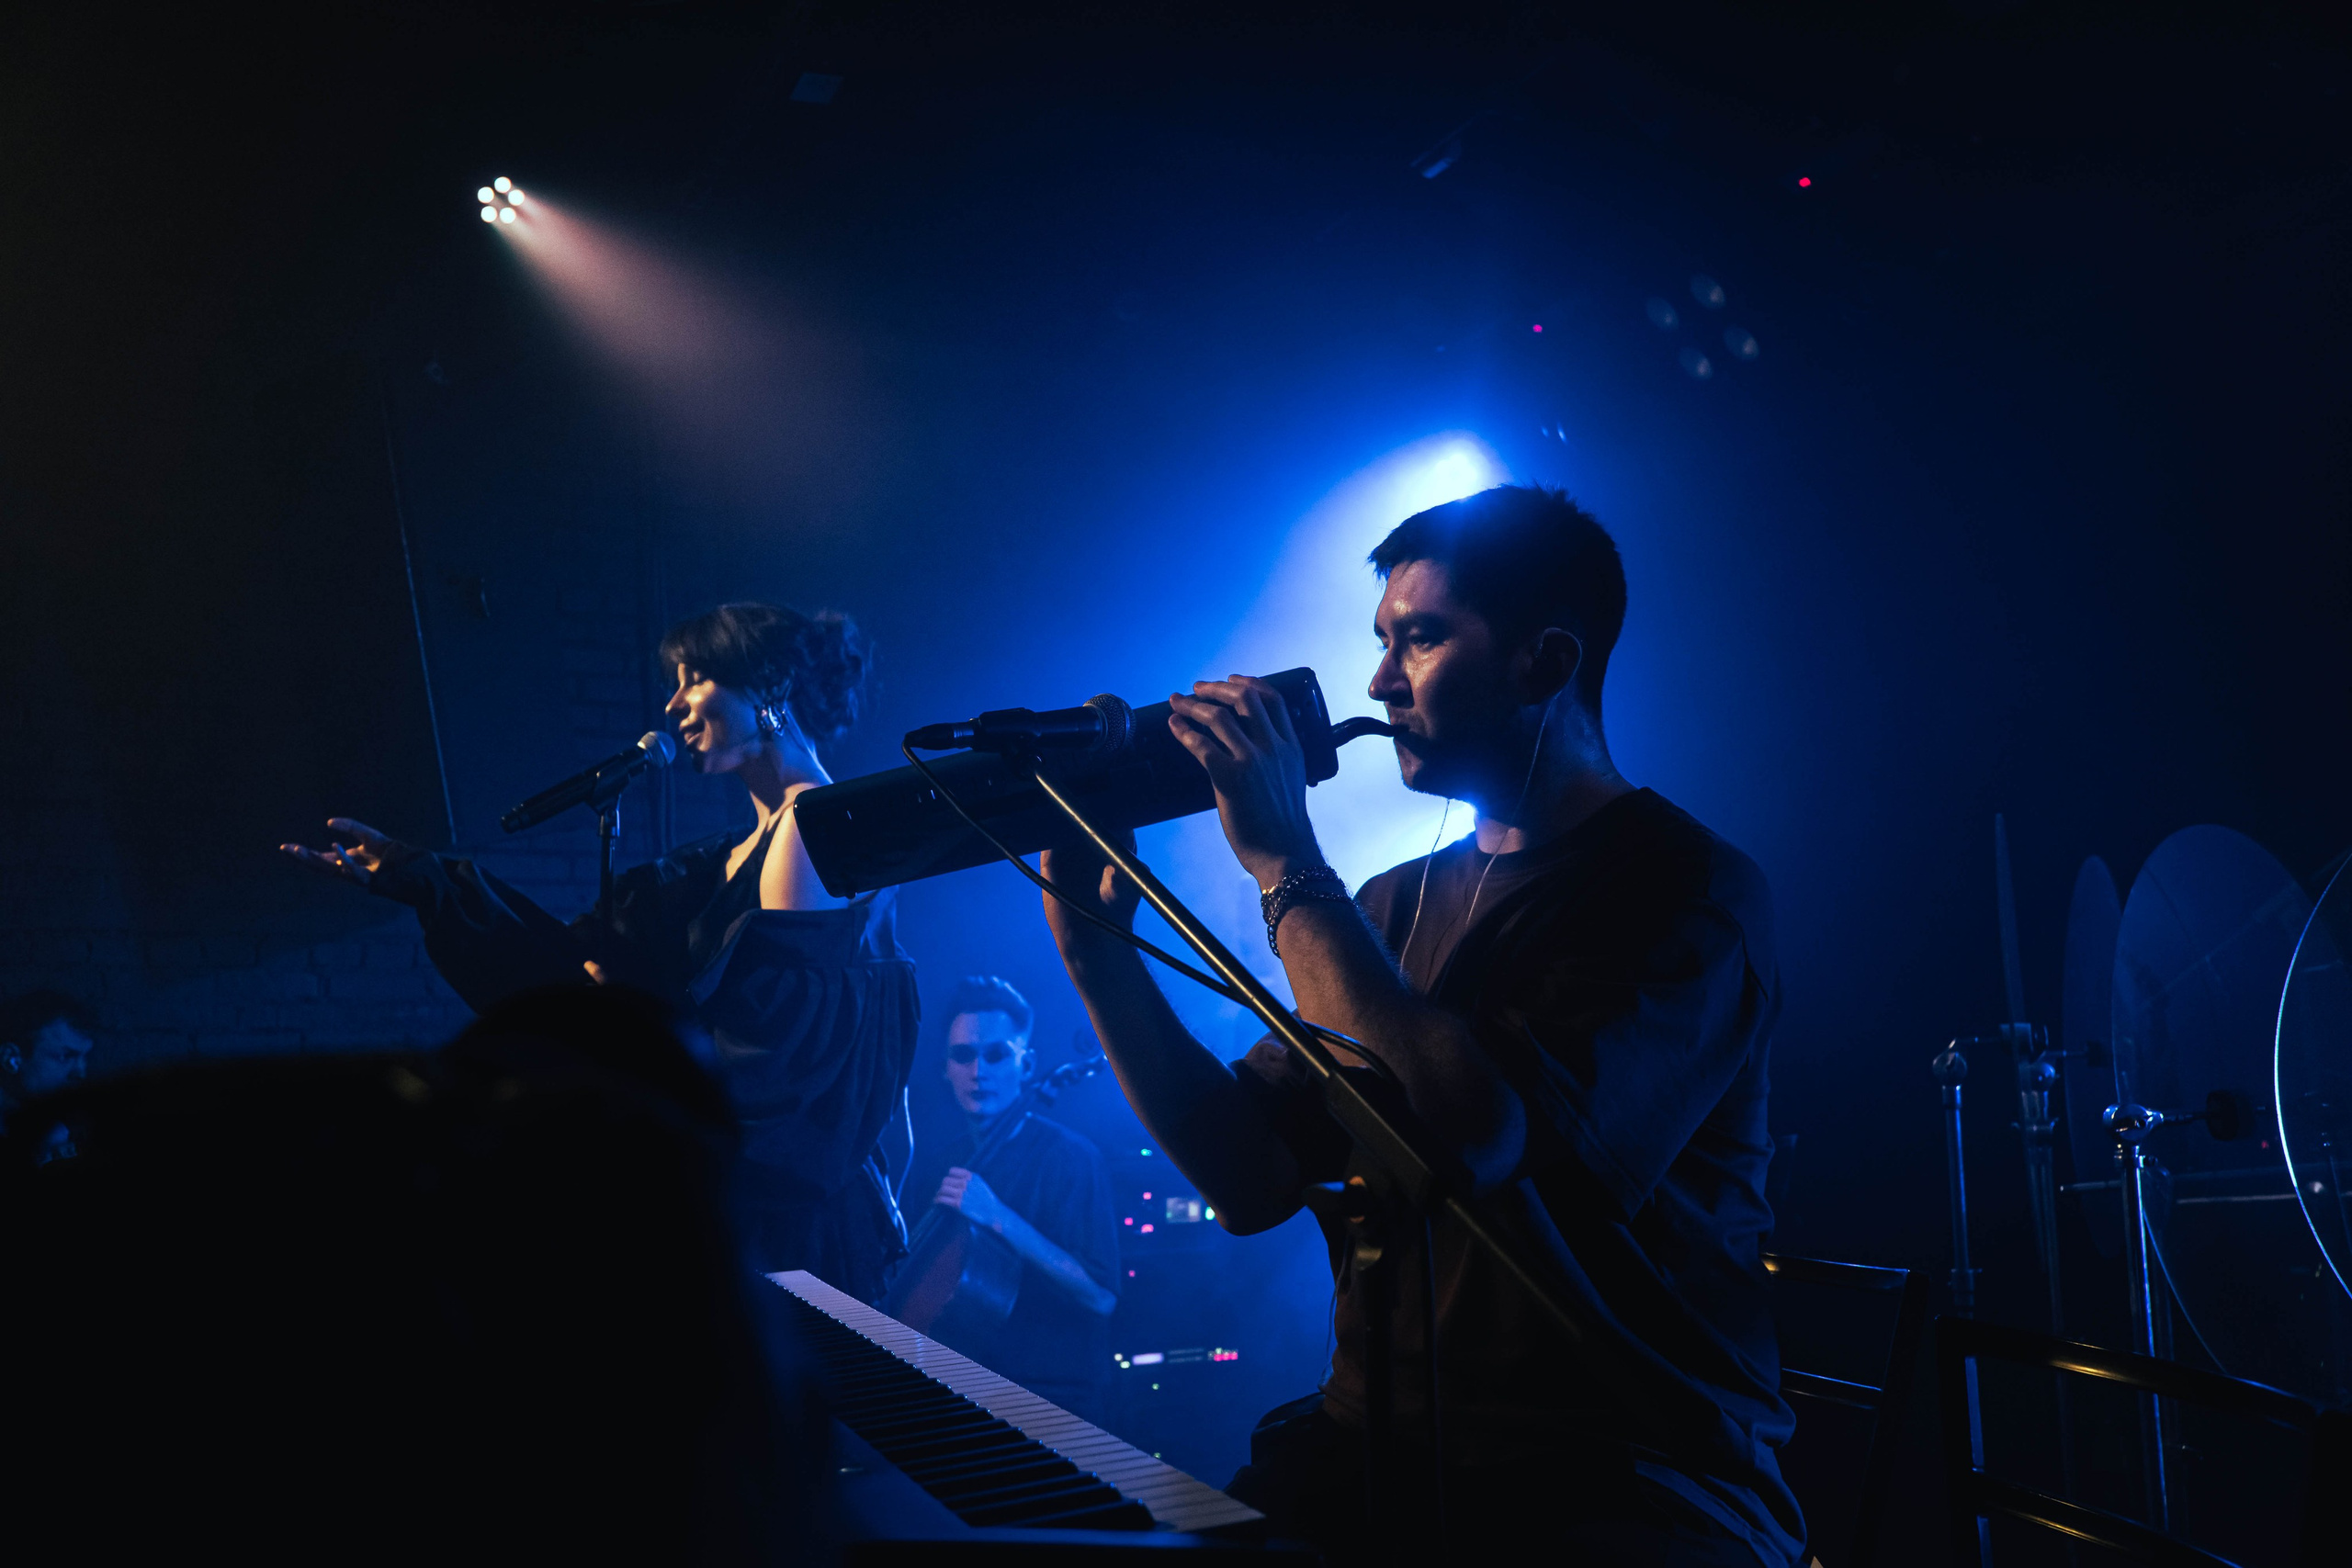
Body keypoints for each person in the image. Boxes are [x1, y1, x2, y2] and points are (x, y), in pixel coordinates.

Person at [1035, 486, 1801, 1563]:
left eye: (1422, 639)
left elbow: (1476, 1136)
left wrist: (1286, 866)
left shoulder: (1686, 890)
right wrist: (1096, 956)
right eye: (1381, 641)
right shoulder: (1388, 902)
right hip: (1378, 1444)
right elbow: (1249, 1175)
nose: (1377, 682)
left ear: (1544, 662)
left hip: (1620, 1472)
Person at [281, 602, 920, 1300]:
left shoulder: (807, 827)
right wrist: (424, 878)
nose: (673, 702)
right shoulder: (732, 852)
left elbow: (769, 1060)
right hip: (746, 1210)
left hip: (778, 1235)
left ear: (768, 687)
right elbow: (571, 972)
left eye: (696, 677)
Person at [910, 976, 1121, 1423]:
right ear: (945, 1069)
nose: (979, 1071)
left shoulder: (1071, 1159)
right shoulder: (938, 1166)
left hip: (1053, 1401)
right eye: (963, 1055)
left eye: (997, 1054)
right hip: (961, 1393)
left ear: (1027, 1066)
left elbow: (1100, 1296)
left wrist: (997, 1217)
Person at [0, 989, 99, 1160]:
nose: (81, 1072)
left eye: (85, 1057)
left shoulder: (74, 1129)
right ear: (11, 1059)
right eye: (65, 1056)